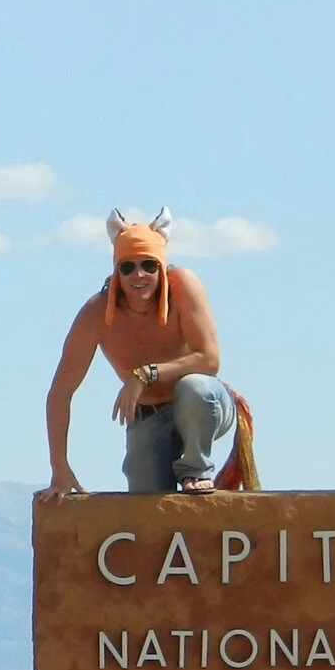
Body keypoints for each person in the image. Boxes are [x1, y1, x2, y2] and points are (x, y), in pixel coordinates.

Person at [43, 210, 247, 496]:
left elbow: (210, 360)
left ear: (161, 268)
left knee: (196, 387)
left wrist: (145, 374)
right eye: (128, 267)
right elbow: (60, 392)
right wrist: (59, 468)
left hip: (202, 407)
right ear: (117, 272)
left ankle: (196, 470)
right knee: (146, 500)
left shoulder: (183, 286)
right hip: (148, 415)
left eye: (149, 265)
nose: (139, 275)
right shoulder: (97, 313)